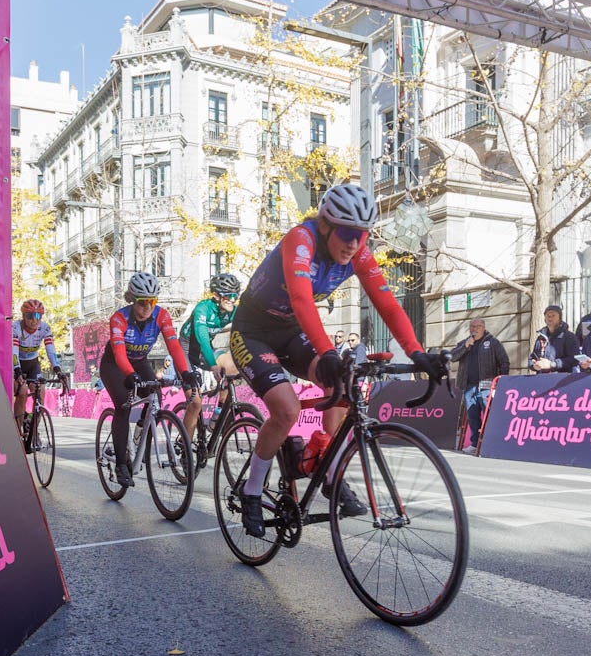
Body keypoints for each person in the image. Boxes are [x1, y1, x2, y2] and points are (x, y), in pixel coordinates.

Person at [230, 182, 445, 537]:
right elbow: (301, 300)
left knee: (342, 386)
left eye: (362, 235)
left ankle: (329, 473)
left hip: (291, 330)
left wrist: (417, 353)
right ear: (327, 225)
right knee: (286, 410)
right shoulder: (302, 239)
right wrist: (328, 351)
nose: (354, 243)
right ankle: (252, 491)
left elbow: (388, 306)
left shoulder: (359, 252)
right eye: (347, 233)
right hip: (253, 330)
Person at [100, 272, 201, 487]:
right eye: (142, 302)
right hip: (115, 365)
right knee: (123, 405)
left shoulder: (162, 316)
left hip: (139, 362)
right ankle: (120, 464)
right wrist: (129, 375)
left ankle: (138, 439)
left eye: (152, 301)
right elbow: (118, 354)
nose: (147, 307)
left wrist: (185, 372)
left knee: (155, 396)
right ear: (132, 300)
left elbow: (174, 347)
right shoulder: (119, 319)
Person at [179, 272, 241, 442]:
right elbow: (202, 337)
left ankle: (217, 416)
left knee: (232, 367)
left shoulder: (232, 311)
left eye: (236, 295)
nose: (232, 299)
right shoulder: (203, 308)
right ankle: (186, 450)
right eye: (228, 295)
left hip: (204, 351)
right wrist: (213, 365)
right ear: (216, 295)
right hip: (185, 351)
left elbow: (248, 330)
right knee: (195, 404)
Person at [449, 318, 509, 450]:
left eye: (478, 326)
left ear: (483, 328)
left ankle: (493, 444)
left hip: (487, 386)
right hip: (469, 386)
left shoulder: (492, 342)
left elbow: (504, 362)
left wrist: (500, 382)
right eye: (472, 326)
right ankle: (475, 444)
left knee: (490, 417)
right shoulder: (464, 343)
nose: (474, 329)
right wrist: (466, 346)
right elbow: (452, 357)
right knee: (473, 417)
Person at [12, 299, 61, 435]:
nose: (34, 320)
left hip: (33, 363)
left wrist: (57, 369)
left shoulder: (44, 328)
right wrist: (17, 370)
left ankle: (33, 428)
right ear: (23, 317)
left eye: (38, 316)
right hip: (17, 363)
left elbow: (50, 351)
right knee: (22, 393)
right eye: (30, 316)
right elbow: (14, 352)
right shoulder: (15, 327)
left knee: (40, 393)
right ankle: (17, 432)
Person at [528, 304, 579, 373]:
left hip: (562, 378)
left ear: (560, 318)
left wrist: (552, 364)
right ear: (545, 319)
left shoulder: (569, 337)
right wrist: (534, 365)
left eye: (553, 315)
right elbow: (532, 358)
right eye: (548, 316)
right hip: (542, 378)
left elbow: (574, 359)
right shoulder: (541, 338)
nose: (550, 318)